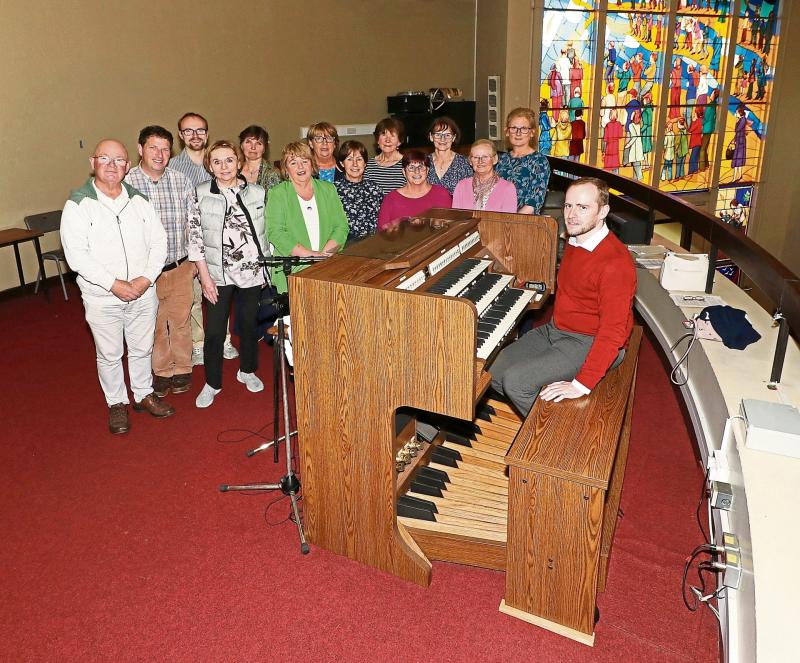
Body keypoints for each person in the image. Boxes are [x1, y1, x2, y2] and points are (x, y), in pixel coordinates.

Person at [490, 177, 637, 416]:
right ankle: (541, 414)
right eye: (568, 205)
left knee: (516, 383)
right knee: (493, 371)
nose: (571, 215)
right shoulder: (574, 238)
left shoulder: (615, 264)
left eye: (583, 207)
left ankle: (558, 434)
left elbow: (613, 332)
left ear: (603, 212)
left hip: (590, 340)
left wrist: (581, 384)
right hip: (556, 329)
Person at [61, 139, 173, 434]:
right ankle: (116, 403)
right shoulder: (78, 204)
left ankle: (143, 393)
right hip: (102, 297)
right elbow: (76, 256)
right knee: (109, 354)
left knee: (142, 348)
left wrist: (146, 278)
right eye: (105, 159)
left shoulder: (139, 201)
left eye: (119, 160)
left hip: (142, 292)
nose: (112, 165)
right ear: (92, 162)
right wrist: (113, 284)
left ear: (128, 165)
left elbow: (159, 242)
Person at [188, 141, 268, 409]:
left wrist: (267, 268)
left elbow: (264, 232)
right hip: (217, 274)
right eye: (217, 162)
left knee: (249, 324)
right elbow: (195, 239)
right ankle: (212, 383)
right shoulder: (199, 193)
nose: (224, 166)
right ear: (209, 166)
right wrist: (204, 277)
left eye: (229, 160)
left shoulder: (257, 192)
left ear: (239, 162)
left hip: (251, 270)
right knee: (214, 331)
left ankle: (247, 370)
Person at [125, 126, 195, 399]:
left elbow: (193, 223)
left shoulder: (181, 181)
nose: (159, 154)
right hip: (144, 273)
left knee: (180, 321)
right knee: (153, 325)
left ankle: (183, 367)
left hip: (179, 266)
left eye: (165, 149)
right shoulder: (126, 184)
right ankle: (162, 371)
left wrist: (195, 261)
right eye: (153, 147)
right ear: (140, 149)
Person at [170, 112, 238, 366]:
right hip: (191, 246)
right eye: (188, 131)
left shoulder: (220, 161)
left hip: (221, 246)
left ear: (207, 134)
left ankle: (224, 339)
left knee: (221, 295)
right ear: (181, 135)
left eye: (200, 130)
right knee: (195, 297)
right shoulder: (173, 167)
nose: (195, 135)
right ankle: (198, 343)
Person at [266, 141, 349, 293]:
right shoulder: (278, 193)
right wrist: (310, 256)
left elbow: (341, 226)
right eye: (293, 162)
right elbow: (275, 232)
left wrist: (324, 256)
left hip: (329, 265)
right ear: (286, 169)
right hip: (293, 269)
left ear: (312, 164)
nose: (300, 167)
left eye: (304, 161)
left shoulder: (328, 189)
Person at [377, 150, 452, 229]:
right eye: (411, 168)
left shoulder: (441, 194)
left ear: (427, 170)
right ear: (404, 172)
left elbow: (450, 228)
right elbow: (382, 232)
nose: (417, 171)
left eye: (421, 167)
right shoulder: (391, 199)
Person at [496, 107, 551, 214]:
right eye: (514, 128)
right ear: (507, 131)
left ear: (532, 133)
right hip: (497, 216)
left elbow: (533, 203)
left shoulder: (539, 161)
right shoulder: (501, 160)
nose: (518, 133)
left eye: (524, 128)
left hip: (523, 219)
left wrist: (510, 220)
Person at [334, 140, 384, 241]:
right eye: (349, 159)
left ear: (365, 163)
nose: (355, 164)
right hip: (346, 244)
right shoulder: (333, 190)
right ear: (342, 163)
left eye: (359, 159)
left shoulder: (375, 189)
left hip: (375, 242)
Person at [452, 140, 517, 212]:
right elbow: (456, 216)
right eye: (476, 157)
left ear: (495, 159)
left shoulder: (508, 188)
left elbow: (507, 219)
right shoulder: (461, 186)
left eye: (485, 157)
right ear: (470, 161)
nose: (480, 161)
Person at [426, 116, 472, 194]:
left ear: (453, 138)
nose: (442, 139)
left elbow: (469, 193)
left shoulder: (464, 163)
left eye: (447, 135)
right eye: (438, 135)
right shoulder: (423, 162)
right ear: (431, 137)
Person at [364, 117, 406, 194]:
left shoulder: (407, 164)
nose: (387, 140)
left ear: (399, 141)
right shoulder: (369, 165)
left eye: (392, 135)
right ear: (377, 140)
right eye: (383, 135)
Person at [239, 125, 281, 191]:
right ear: (241, 146)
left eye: (258, 143)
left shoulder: (272, 173)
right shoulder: (234, 170)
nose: (253, 147)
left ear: (264, 148)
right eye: (248, 142)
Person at [603, 109, 624, 173]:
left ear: (610, 115)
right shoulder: (619, 124)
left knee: (608, 167)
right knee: (615, 166)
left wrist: (603, 151)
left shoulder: (607, 125)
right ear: (616, 115)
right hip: (615, 147)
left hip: (608, 147)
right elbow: (620, 136)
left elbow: (605, 139)